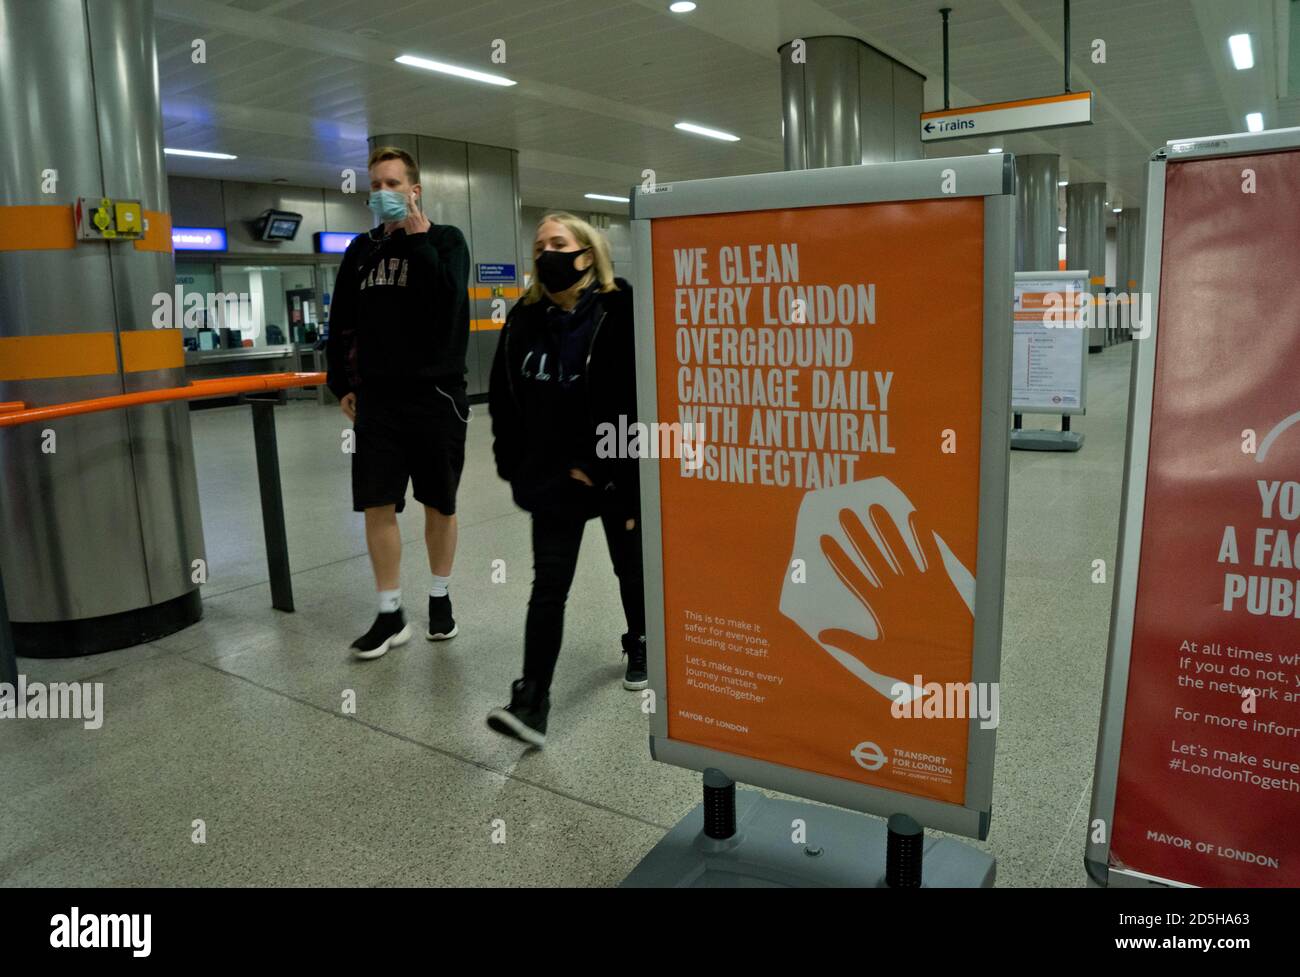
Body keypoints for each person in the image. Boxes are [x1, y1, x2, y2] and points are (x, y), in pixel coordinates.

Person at [485, 212, 645, 747]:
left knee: (631, 569)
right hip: (552, 480)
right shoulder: (523, 319)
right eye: (539, 245)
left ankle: (639, 640)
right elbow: (505, 401)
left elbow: (639, 399)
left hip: (616, 474)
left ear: (587, 253)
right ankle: (531, 702)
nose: (546, 252)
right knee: (548, 586)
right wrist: (515, 465)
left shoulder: (621, 312)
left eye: (558, 242)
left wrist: (605, 465)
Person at [325, 146, 471, 660]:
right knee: (376, 502)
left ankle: (440, 597)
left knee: (439, 502)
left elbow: (447, 304)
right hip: (378, 402)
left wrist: (419, 240)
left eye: (392, 184)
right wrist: (340, 380)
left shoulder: (447, 241)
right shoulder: (359, 252)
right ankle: (390, 612)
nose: (382, 193)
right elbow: (341, 319)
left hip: (435, 397)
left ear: (415, 190)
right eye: (376, 185)